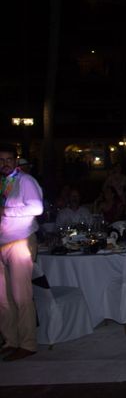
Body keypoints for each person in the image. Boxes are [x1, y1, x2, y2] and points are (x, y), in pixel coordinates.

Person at [0, 144, 43, 361]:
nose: (4, 163)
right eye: (1, 160)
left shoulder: (25, 181)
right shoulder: (1, 184)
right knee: (3, 299)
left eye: (8, 159)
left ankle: (28, 343)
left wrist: (6, 211)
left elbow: (37, 208)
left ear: (16, 161)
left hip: (20, 241)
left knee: (21, 295)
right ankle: (11, 340)